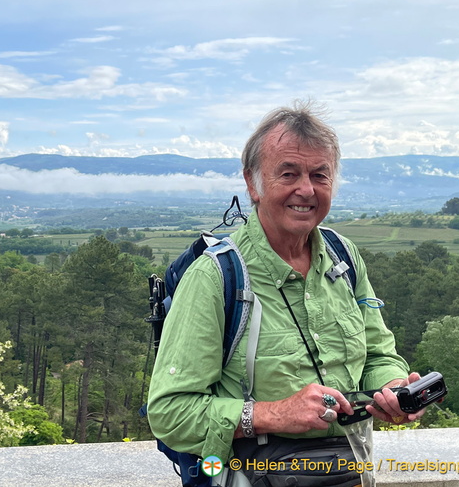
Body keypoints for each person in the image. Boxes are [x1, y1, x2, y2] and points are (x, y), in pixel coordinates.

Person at [147, 101, 424, 486]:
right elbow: (169, 413)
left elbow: (378, 354)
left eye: (320, 175)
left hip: (348, 473)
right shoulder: (215, 278)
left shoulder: (343, 257)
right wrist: (273, 414)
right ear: (253, 183)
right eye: (289, 173)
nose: (306, 189)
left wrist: (392, 388)